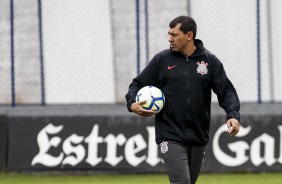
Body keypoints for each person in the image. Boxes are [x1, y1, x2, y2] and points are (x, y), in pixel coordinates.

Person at [125, 15, 240, 184]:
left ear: (189, 36)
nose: (170, 39)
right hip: (169, 135)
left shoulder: (209, 62)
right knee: (182, 182)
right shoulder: (161, 60)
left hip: (198, 136)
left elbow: (226, 91)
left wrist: (233, 115)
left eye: (174, 35)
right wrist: (132, 103)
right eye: (169, 34)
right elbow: (136, 84)